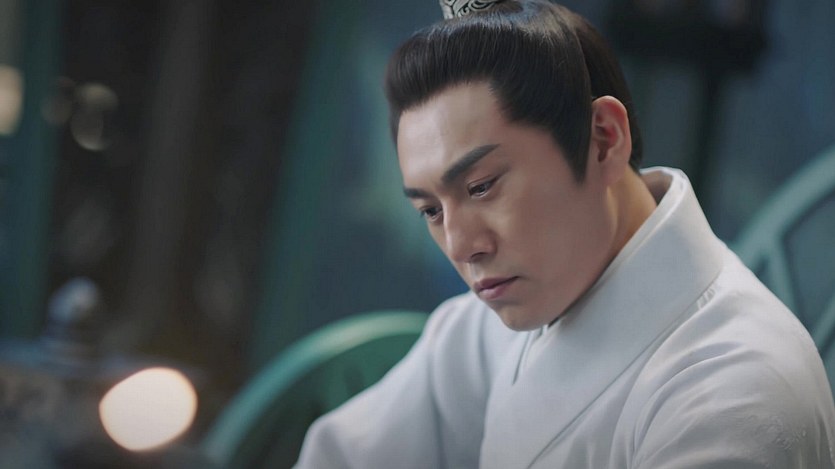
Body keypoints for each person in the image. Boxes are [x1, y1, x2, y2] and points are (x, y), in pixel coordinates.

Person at [295, 0, 835, 467]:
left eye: (481, 187)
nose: (461, 246)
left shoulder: (735, 394)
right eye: (431, 210)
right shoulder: (507, 315)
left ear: (603, 139)